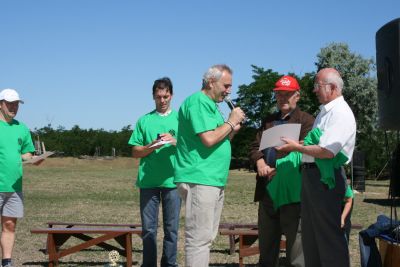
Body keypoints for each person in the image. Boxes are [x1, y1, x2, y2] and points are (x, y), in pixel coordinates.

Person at [276, 68, 356, 267]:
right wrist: (301, 144)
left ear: (333, 87)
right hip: (313, 178)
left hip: (325, 180)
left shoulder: (340, 113)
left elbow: (327, 151)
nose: (314, 91)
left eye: (317, 86)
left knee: (328, 239)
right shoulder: (326, 112)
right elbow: (319, 144)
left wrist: (297, 147)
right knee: (311, 238)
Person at [174, 64, 246, 267]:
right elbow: (208, 139)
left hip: (211, 179)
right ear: (211, 82)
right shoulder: (198, 102)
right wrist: (231, 122)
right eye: (226, 85)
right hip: (199, 177)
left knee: (206, 237)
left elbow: (218, 141)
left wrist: (232, 130)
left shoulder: (212, 106)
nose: (229, 90)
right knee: (198, 239)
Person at [249, 75, 314, 267]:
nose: (283, 98)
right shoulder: (268, 121)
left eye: (288, 94)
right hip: (267, 190)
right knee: (267, 248)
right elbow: (254, 146)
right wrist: (259, 161)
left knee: (296, 250)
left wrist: (278, 167)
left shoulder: (307, 121)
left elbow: (307, 153)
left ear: (297, 96)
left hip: (291, 193)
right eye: (279, 94)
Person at [128, 77, 180, 267]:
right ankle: (148, 264)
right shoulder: (144, 120)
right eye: (159, 97)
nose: (163, 100)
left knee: (171, 229)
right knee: (149, 230)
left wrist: (174, 141)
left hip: (173, 182)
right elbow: (135, 151)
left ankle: (169, 264)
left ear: (171, 95)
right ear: (153, 97)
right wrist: (151, 146)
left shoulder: (181, 119)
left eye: (166, 96)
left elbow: (191, 147)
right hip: (148, 182)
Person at [0, 88, 38, 267]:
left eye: (16, 104)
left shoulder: (21, 128)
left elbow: (27, 153)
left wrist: (33, 159)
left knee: (9, 225)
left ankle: (7, 261)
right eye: (10, 104)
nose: (14, 107)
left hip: (14, 186)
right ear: (1, 104)